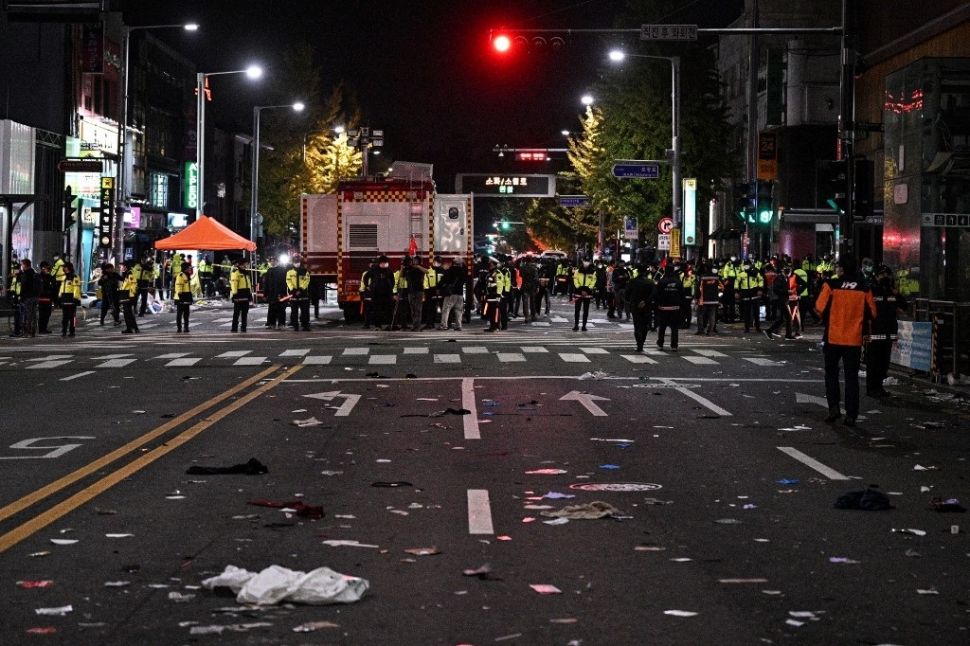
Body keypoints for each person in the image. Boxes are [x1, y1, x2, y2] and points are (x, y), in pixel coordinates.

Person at [815, 254, 877, 427]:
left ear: (841, 269)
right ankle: (851, 414)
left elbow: (819, 307)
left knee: (831, 373)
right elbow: (873, 312)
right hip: (853, 339)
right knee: (851, 378)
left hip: (833, 336)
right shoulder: (864, 287)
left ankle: (834, 408)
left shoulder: (831, 285)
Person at [866, 264, 907, 398]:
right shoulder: (871, 290)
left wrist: (896, 293)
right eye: (881, 275)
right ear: (876, 276)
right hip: (875, 332)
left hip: (888, 331)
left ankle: (879, 387)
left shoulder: (891, 291)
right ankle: (872, 388)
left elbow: (904, 306)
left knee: (884, 363)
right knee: (873, 362)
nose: (884, 277)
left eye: (886, 275)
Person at [626, 264, 656, 352]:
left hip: (635, 305)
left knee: (637, 325)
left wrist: (630, 301)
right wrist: (646, 301)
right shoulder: (650, 282)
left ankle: (639, 343)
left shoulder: (632, 281)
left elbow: (627, 294)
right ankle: (642, 341)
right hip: (647, 306)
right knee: (645, 325)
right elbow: (654, 294)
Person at [654, 267, 684, 351]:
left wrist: (657, 305)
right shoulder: (678, 282)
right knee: (674, 328)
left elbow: (657, 294)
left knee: (662, 327)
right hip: (675, 308)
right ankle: (674, 345)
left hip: (663, 308)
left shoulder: (662, 281)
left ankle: (660, 344)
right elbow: (682, 295)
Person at [367, 255, 395, 329]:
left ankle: (389, 325)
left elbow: (393, 280)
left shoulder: (389, 270)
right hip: (376, 293)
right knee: (377, 310)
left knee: (389, 309)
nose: (385, 264)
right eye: (384, 263)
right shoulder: (374, 270)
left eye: (386, 263)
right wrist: (368, 286)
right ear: (380, 263)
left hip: (387, 293)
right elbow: (366, 277)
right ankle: (377, 325)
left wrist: (391, 287)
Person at [439, 256, 466, 331]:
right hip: (460, 293)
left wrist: (440, 287)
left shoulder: (449, 270)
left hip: (451, 293)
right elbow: (464, 281)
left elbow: (443, 281)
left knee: (446, 309)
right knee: (458, 310)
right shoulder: (462, 271)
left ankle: (444, 325)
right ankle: (459, 326)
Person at [736, 261, 764, 333]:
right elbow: (736, 283)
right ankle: (747, 328)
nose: (746, 267)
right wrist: (736, 292)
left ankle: (757, 327)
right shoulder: (741, 275)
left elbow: (761, 280)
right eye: (745, 265)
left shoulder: (755, 273)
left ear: (751, 265)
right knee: (746, 312)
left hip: (754, 293)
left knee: (756, 312)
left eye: (748, 265)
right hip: (745, 294)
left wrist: (760, 289)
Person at [286, 254, 312, 331]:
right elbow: (288, 281)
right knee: (294, 311)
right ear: (292, 262)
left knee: (305, 311)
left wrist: (301, 289)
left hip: (303, 293)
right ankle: (295, 325)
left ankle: (305, 325)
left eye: (298, 261)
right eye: (295, 261)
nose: (297, 262)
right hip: (293, 293)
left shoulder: (305, 271)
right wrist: (292, 289)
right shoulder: (289, 272)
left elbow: (307, 280)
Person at [695, 263, 721, 335]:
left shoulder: (702, 277)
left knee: (700, 315)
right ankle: (710, 331)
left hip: (704, 300)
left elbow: (699, 288)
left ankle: (701, 330)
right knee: (712, 316)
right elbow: (721, 286)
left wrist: (697, 298)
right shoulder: (716, 277)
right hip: (714, 300)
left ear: (705, 268)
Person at [263, 257, 288, 329]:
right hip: (271, 293)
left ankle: (281, 324)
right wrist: (265, 294)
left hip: (280, 293)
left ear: (277, 261)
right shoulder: (269, 270)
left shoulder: (282, 270)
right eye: (271, 261)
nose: (272, 262)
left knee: (281, 309)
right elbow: (266, 283)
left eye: (273, 261)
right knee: (271, 309)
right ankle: (271, 323)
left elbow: (284, 283)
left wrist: (283, 293)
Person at [572, 257, 597, 331]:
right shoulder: (577, 271)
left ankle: (584, 326)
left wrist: (588, 289)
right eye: (585, 261)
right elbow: (575, 280)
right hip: (578, 292)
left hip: (587, 293)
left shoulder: (593, 271)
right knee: (577, 310)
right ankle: (576, 325)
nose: (586, 263)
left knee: (586, 310)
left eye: (588, 261)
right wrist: (579, 288)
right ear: (582, 261)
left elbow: (593, 281)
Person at [230, 259, 253, 332]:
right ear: (241, 265)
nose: (246, 266)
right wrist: (235, 294)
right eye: (245, 264)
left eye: (247, 264)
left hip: (246, 293)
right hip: (239, 293)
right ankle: (234, 328)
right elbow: (234, 284)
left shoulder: (246, 273)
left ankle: (243, 327)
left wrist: (250, 294)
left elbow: (249, 284)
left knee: (245, 312)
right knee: (236, 312)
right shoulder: (236, 272)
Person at [59, 261, 81, 337]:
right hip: (64, 298)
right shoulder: (63, 277)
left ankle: (72, 331)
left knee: (72, 317)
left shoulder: (74, 277)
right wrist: (59, 297)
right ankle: (64, 331)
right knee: (64, 316)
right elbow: (61, 288)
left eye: (65, 267)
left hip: (71, 298)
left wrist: (75, 298)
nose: (63, 268)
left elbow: (76, 288)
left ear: (69, 268)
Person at [18, 258, 38, 337]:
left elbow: (23, 286)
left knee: (27, 315)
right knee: (33, 314)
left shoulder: (25, 274)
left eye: (22, 264)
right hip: (34, 297)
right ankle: (33, 331)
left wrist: (21, 296)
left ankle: (27, 332)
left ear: (25, 265)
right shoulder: (34, 273)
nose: (21, 266)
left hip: (27, 297)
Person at [422, 257, 443, 329]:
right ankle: (430, 324)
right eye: (436, 262)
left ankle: (446, 324)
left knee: (444, 309)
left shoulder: (443, 271)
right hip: (431, 292)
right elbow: (425, 282)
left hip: (441, 292)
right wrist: (426, 292)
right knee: (430, 309)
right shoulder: (428, 271)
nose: (437, 263)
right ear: (433, 262)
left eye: (439, 262)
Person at [119, 263, 139, 334]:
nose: (121, 268)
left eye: (122, 266)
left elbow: (133, 285)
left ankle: (132, 328)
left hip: (128, 296)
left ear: (126, 266)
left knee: (128, 313)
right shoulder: (127, 273)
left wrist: (132, 295)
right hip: (127, 295)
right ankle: (132, 328)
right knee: (128, 313)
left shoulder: (130, 273)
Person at [98, 262, 121, 326]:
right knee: (105, 308)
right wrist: (103, 279)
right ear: (107, 269)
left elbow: (122, 278)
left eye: (112, 268)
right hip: (106, 294)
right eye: (110, 268)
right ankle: (102, 320)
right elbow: (99, 283)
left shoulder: (115, 274)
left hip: (115, 293)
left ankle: (116, 320)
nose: (112, 269)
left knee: (116, 307)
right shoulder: (104, 276)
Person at [37, 261, 57, 334]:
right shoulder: (39, 277)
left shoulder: (50, 277)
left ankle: (44, 328)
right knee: (42, 315)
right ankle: (41, 329)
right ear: (42, 268)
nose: (47, 269)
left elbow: (54, 288)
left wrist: (54, 299)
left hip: (49, 299)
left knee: (47, 314)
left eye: (48, 267)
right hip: (42, 299)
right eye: (46, 267)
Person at [518, 254, 538, 324]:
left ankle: (526, 316)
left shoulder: (522, 267)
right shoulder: (534, 267)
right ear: (531, 260)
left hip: (525, 285)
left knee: (525, 302)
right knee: (532, 302)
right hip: (532, 286)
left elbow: (520, 275)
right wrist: (537, 286)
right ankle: (533, 316)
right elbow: (536, 278)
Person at [174, 262, 193, 333]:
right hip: (181, 296)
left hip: (186, 295)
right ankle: (179, 328)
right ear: (185, 268)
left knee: (186, 313)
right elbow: (179, 286)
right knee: (179, 313)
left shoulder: (187, 275)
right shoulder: (181, 275)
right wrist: (180, 295)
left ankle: (186, 327)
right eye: (189, 268)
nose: (190, 269)